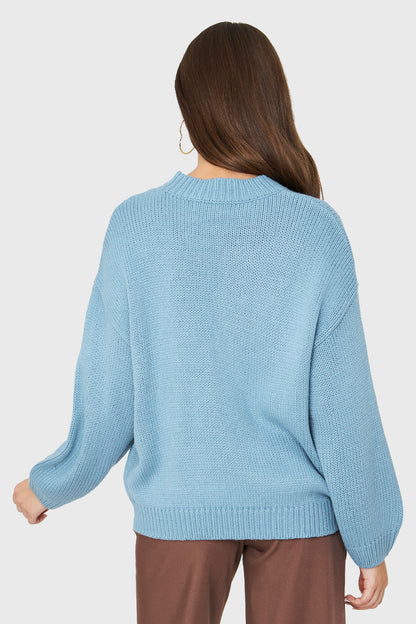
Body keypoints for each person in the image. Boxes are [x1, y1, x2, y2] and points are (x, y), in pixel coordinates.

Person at [13, 21, 403, 624]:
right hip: (301, 516)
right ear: (272, 105)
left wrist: (51, 484)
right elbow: (343, 406)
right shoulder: (317, 230)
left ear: (189, 110)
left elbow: (110, 395)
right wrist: (370, 537)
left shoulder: (136, 227)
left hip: (180, 509)